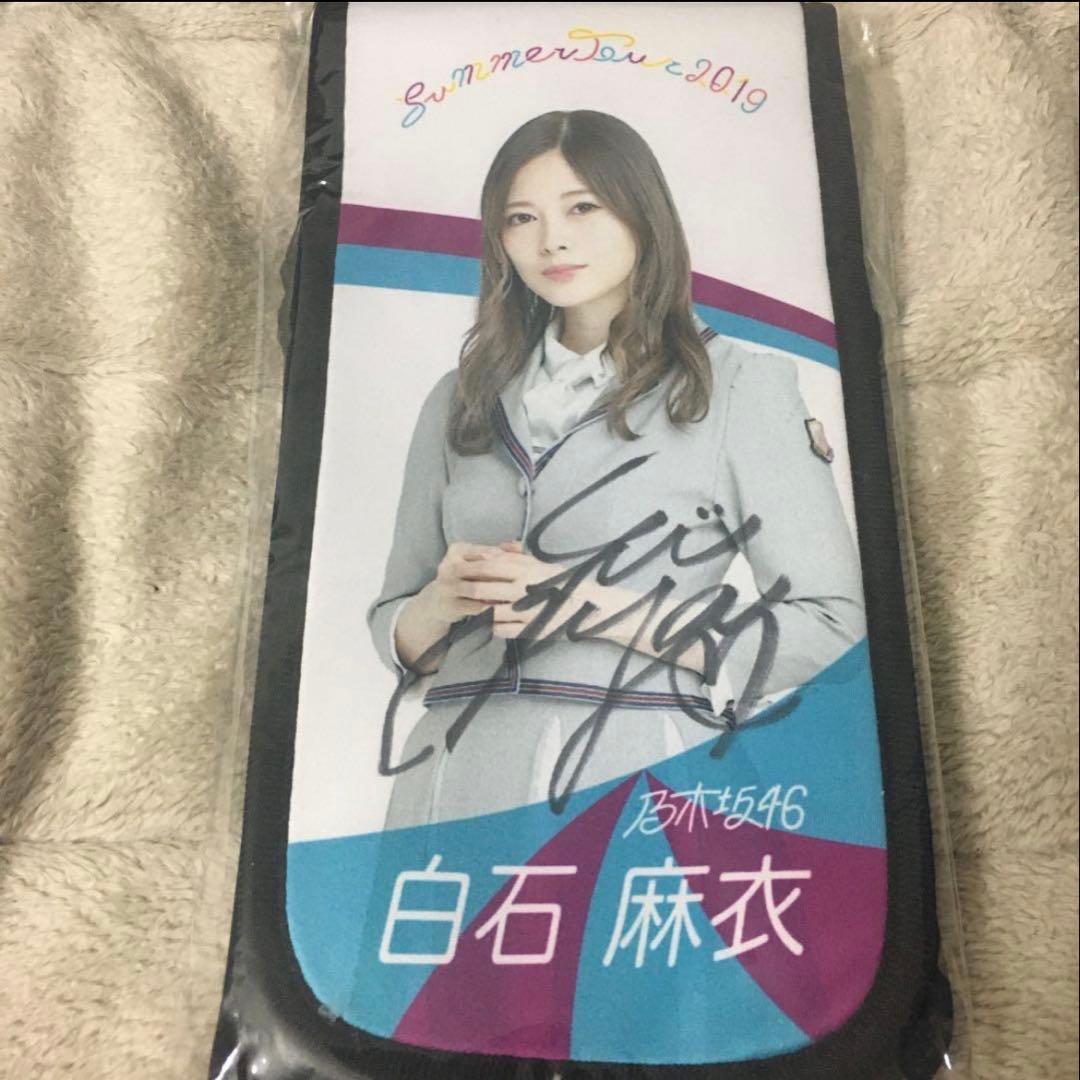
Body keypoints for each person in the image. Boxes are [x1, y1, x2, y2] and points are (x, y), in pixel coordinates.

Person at [366, 110, 866, 831]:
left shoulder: (741, 386)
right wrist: (440, 604)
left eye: (582, 208)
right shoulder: (458, 399)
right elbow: (397, 624)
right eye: (521, 218)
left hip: (641, 778)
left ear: (641, 213)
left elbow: (832, 626)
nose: (552, 240)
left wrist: (589, 604)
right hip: (448, 787)